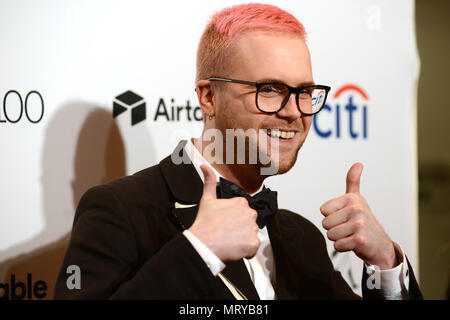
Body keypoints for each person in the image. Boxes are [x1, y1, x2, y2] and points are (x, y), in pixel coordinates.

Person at [54, 3, 422, 300]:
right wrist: (199, 251)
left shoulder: (302, 238)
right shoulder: (119, 211)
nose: (294, 111)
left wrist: (386, 262)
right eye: (270, 89)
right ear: (209, 97)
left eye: (305, 92)